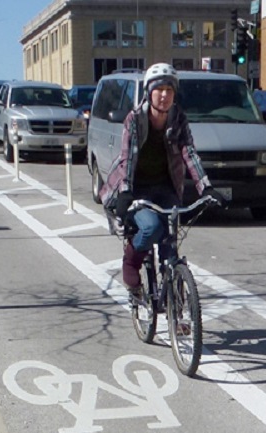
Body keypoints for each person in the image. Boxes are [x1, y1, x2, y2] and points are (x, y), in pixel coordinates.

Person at [99, 62, 225, 296]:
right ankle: (131, 262)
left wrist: (205, 188)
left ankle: (175, 307)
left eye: (170, 90)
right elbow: (128, 157)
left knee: (170, 247)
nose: (165, 95)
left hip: (166, 187)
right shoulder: (135, 119)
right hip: (136, 189)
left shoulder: (178, 119)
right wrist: (125, 191)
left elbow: (189, 153)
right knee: (151, 227)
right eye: (159, 89)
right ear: (149, 91)